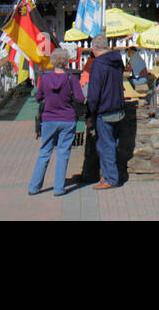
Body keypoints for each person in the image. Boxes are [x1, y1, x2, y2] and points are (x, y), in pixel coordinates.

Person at [29, 49, 85, 197]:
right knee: (63, 153)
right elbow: (80, 98)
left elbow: (38, 97)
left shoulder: (46, 79)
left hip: (49, 119)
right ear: (66, 62)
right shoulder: (71, 79)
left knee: (44, 152)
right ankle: (58, 188)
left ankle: (34, 186)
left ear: (53, 61)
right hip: (67, 118)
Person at [84, 37, 126, 189]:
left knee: (105, 145)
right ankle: (112, 175)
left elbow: (94, 92)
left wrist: (90, 113)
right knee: (113, 143)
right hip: (118, 106)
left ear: (94, 49)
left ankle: (110, 178)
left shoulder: (98, 64)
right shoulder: (117, 61)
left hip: (105, 109)